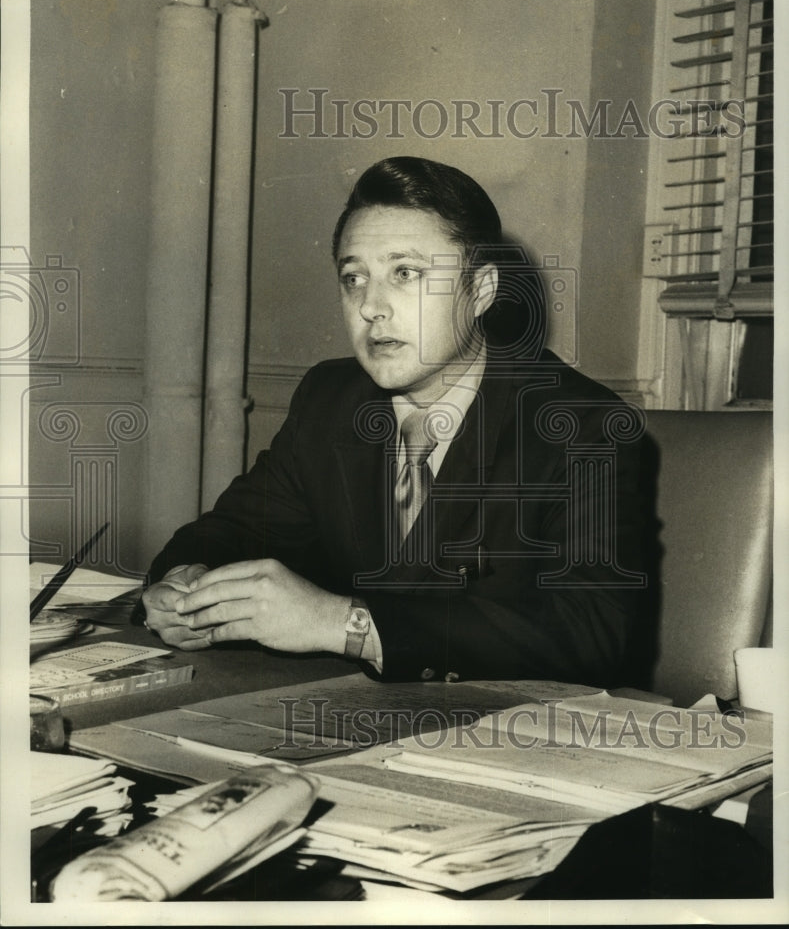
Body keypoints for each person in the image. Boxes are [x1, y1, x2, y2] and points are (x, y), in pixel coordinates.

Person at [139, 156, 652, 686]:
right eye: (353, 278)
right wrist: (183, 584)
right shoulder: (331, 398)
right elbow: (235, 529)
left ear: (481, 290)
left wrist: (344, 624)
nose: (370, 307)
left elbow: (591, 634)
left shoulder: (581, 425)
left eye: (405, 273)